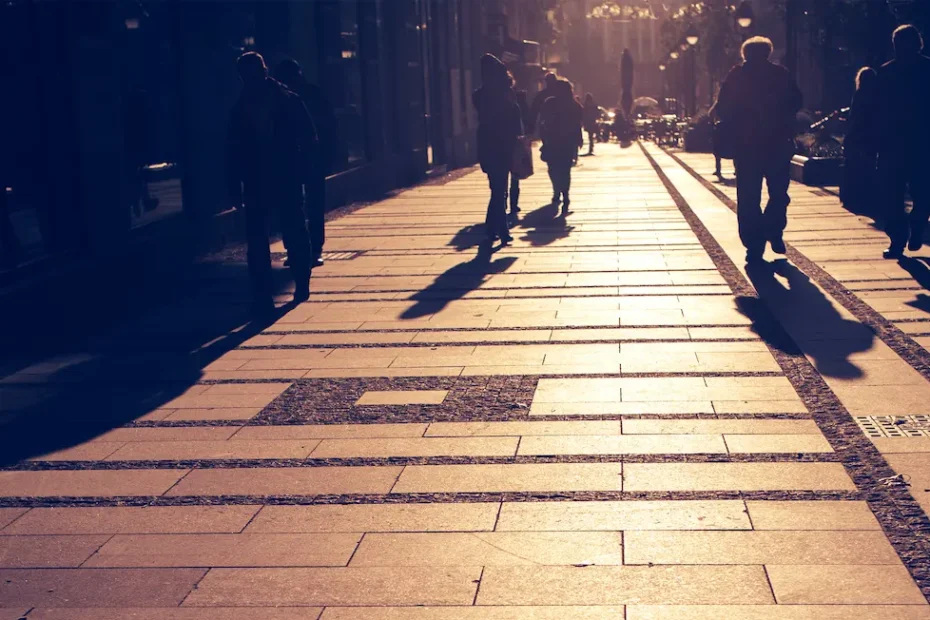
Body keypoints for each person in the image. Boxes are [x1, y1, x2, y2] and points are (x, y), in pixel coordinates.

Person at [227, 52, 317, 316]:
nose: (251, 78)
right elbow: (233, 151)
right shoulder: (246, 108)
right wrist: (234, 186)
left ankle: (298, 284)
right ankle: (266, 294)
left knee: (291, 231)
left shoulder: (286, 100)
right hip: (262, 179)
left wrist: (305, 170)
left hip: (281, 177)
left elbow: (309, 139)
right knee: (266, 237)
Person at [714, 36, 802, 263]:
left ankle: (754, 243)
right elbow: (797, 103)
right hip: (777, 144)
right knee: (779, 194)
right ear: (768, 53)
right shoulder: (780, 74)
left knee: (748, 197)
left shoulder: (736, 76)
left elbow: (722, 108)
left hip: (746, 147)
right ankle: (773, 229)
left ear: (745, 54)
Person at [275, 59, 342, 268]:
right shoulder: (283, 97)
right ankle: (300, 249)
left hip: (310, 157)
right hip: (295, 159)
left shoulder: (308, 95)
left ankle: (311, 249)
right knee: (296, 205)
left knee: (307, 204)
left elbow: (328, 126)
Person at [876, 25, 930, 258]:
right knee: (914, 191)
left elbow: (876, 110)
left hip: (901, 141)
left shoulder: (889, 72)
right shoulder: (923, 69)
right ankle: (910, 230)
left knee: (897, 194)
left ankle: (903, 235)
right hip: (914, 141)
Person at [473, 54, 523, 246]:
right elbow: (515, 119)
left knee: (497, 188)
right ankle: (498, 229)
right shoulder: (505, 94)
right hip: (503, 145)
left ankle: (495, 228)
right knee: (499, 189)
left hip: (488, 144)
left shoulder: (480, 95)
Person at [540, 79, 583, 215]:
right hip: (567, 143)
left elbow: (543, 122)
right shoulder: (574, 105)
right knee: (565, 170)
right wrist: (578, 141)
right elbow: (577, 126)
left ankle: (558, 191)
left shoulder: (550, 103)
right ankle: (564, 194)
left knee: (553, 169)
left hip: (553, 141)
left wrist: (544, 137)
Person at [841, 67, 879, 215]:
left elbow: (854, 118)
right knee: (869, 168)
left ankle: (853, 197)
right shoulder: (877, 96)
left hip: (857, 137)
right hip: (871, 137)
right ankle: (868, 198)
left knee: (855, 168)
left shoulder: (859, 94)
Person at [508, 89, 531, 217]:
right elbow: (520, 128)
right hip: (514, 145)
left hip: (498, 146)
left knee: (502, 179)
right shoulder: (515, 106)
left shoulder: (490, 103)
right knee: (514, 177)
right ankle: (513, 203)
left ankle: (503, 203)